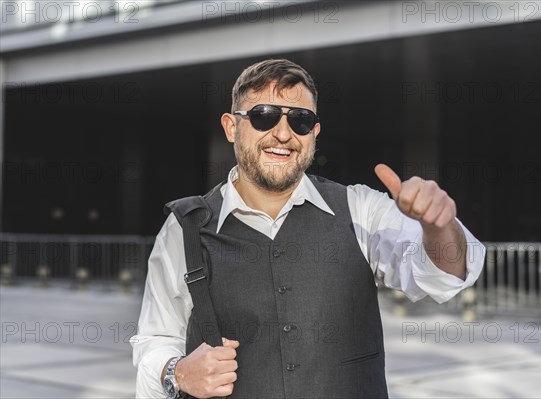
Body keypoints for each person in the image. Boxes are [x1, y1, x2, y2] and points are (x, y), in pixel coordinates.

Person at [131, 59, 485, 399]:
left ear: (314, 132)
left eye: (300, 120)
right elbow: (154, 340)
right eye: (263, 117)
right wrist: (176, 371)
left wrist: (438, 226)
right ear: (231, 127)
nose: (283, 133)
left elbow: (443, 276)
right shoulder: (184, 228)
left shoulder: (359, 208)